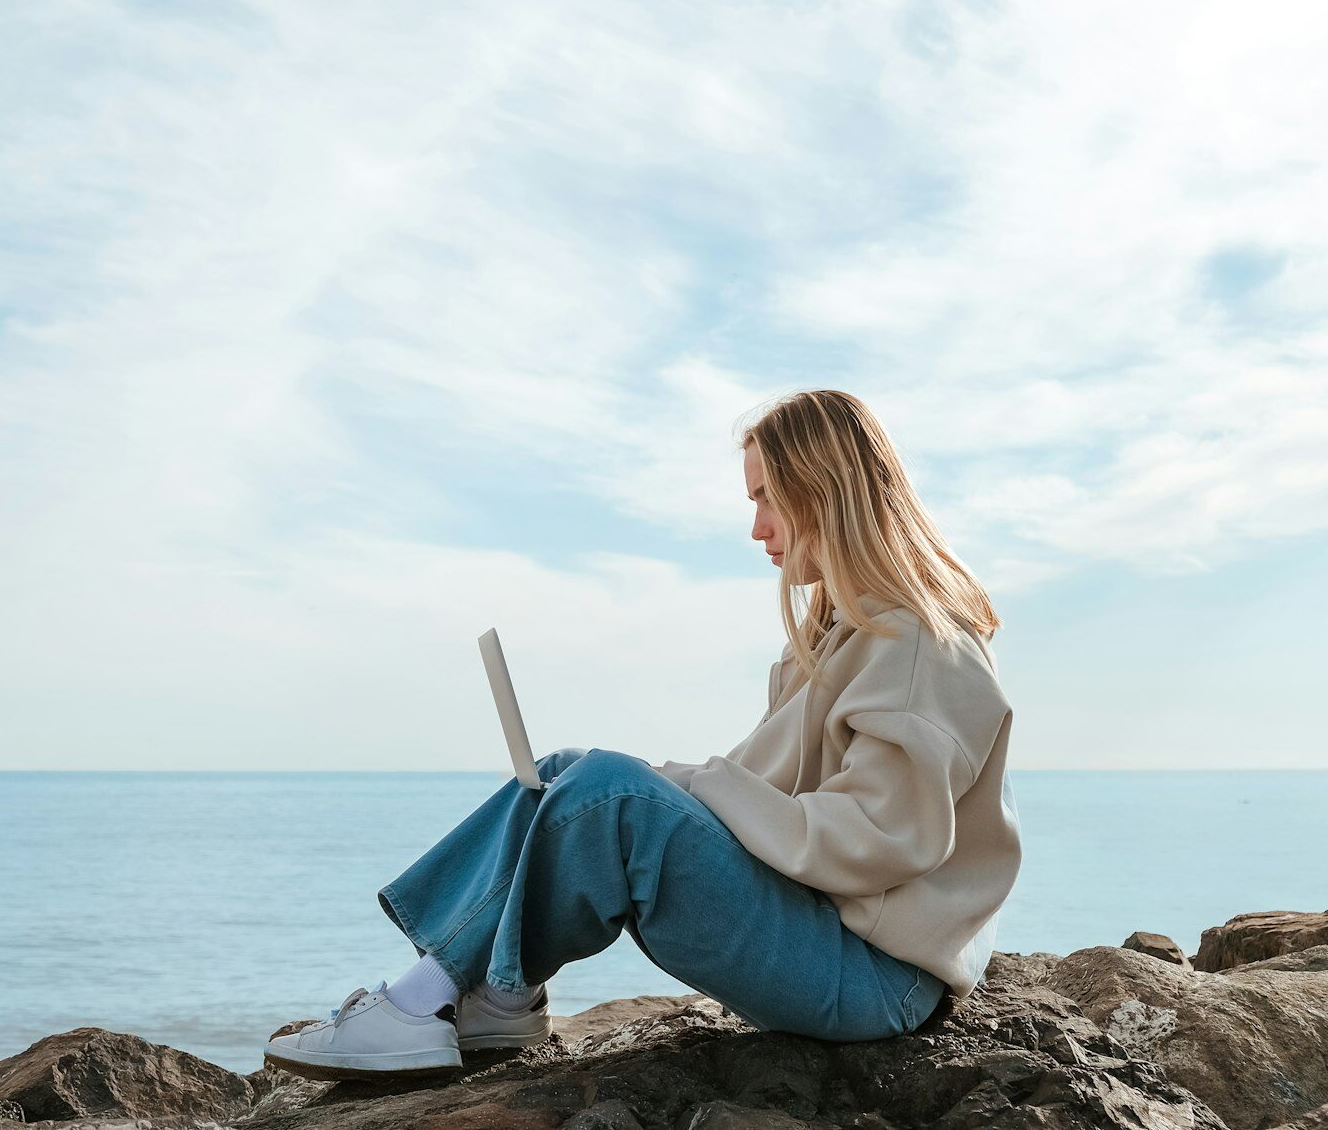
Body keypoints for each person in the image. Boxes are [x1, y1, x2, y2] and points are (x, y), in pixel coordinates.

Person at [264, 389, 1023, 1081]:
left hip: (878, 981)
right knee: (573, 771)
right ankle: (493, 999)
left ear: (824, 489)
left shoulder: (921, 644)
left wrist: (683, 787)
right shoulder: (833, 640)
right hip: (829, 944)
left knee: (611, 795)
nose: (757, 526)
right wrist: (668, 783)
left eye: (768, 498)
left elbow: (879, 839)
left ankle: (425, 1004)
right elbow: (763, 798)